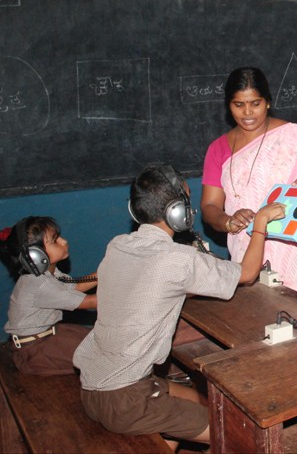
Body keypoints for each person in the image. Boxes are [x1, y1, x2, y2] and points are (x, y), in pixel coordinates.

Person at [73, 164, 285, 446]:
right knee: (235, 436)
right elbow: (246, 275)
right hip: (126, 398)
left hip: (94, 387)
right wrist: (261, 225)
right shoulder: (178, 259)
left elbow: (149, 285)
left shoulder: (118, 245)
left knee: (198, 399)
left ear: (135, 211)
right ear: (178, 213)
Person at [201, 67, 297, 308]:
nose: (247, 112)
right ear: (228, 105)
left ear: (268, 102)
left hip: (295, 251)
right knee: (255, 321)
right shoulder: (218, 149)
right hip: (246, 252)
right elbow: (209, 206)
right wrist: (227, 221)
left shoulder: (291, 135)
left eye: (255, 103)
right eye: (238, 105)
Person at [0, 217, 96, 375]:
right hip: (35, 351)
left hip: (49, 334)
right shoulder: (39, 285)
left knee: (99, 340)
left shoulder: (49, 274)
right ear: (35, 255)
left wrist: (107, 270)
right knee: (103, 356)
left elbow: (76, 286)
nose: (64, 241)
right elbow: (90, 302)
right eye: (55, 240)